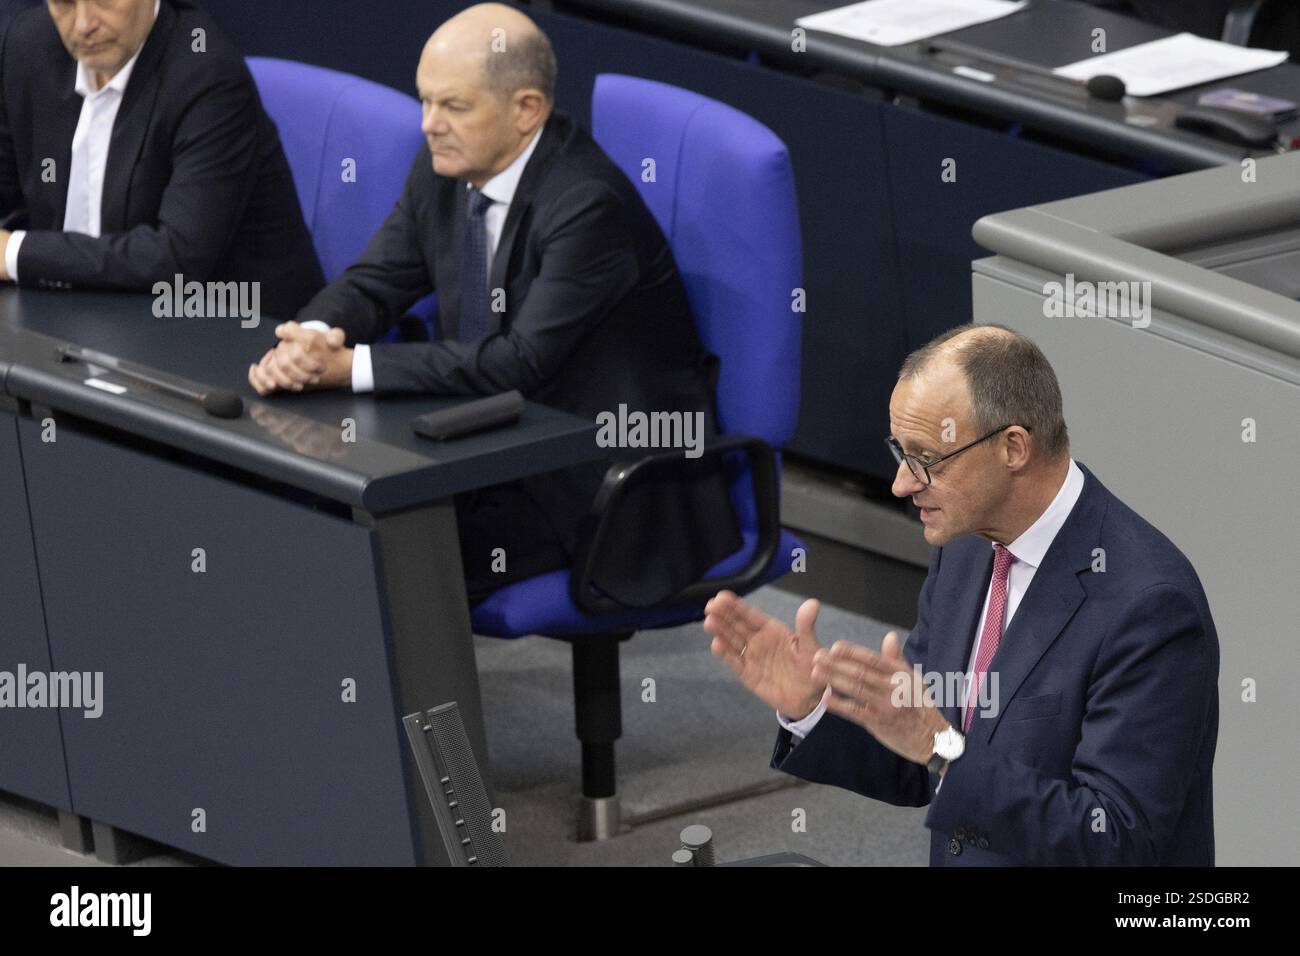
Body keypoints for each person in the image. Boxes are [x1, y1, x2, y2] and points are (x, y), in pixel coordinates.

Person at [247, 4, 739, 603]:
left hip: (595, 481)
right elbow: (377, 279)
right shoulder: (447, 168)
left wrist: (351, 366)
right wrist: (310, 336)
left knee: (381, 561)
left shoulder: (586, 204)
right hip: (487, 449)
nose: (429, 123)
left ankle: (406, 698)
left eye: (452, 106)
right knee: (302, 513)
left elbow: (519, 363)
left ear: (526, 109)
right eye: (425, 100)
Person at [705, 325, 1219, 866]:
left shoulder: (1148, 605)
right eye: (900, 452)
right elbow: (920, 748)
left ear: (1012, 448)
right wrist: (813, 708)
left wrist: (944, 750)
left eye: (927, 457)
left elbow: (1114, 840)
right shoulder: (967, 544)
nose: (902, 483)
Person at [0, 0, 324, 318]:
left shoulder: (208, 77)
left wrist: (15, 253)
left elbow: (177, 259)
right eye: (65, 3)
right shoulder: (29, 45)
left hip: (221, 327)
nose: (84, 24)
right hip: (73, 313)